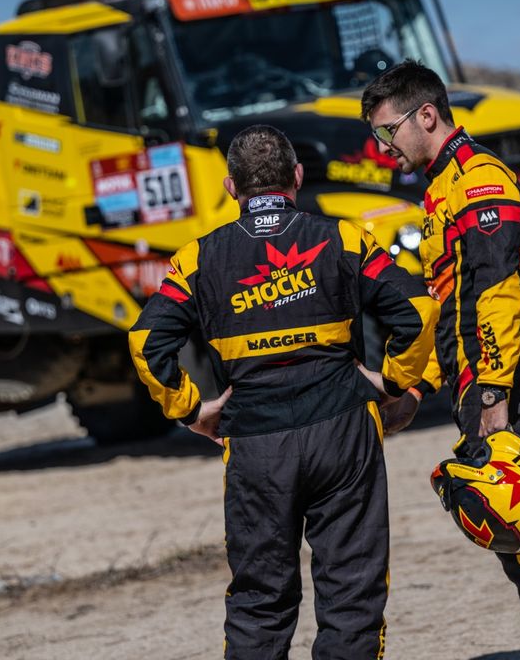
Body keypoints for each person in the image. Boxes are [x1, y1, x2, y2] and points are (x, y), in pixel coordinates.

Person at [128, 125, 437, 659]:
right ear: (297, 176)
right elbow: (418, 310)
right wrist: (392, 382)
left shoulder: (197, 258)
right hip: (344, 432)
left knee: (259, 602)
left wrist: (192, 410)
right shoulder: (345, 238)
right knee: (352, 595)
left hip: (255, 442)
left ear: (231, 188)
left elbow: (145, 343)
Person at [361, 60, 520, 660]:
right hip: (475, 378)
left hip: (502, 380)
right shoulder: (440, 186)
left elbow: (496, 293)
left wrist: (493, 395)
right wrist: (418, 389)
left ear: (426, 115)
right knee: (513, 533)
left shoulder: (480, 181)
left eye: (387, 131)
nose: (382, 146)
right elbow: (449, 306)